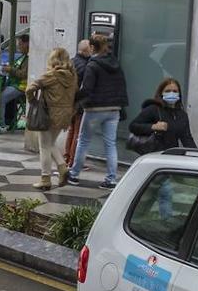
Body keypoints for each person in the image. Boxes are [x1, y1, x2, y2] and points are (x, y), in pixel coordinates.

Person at [66, 33, 128, 189]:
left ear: (93, 47)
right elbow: (121, 86)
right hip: (114, 109)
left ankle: (74, 175)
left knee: (83, 141)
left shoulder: (92, 65)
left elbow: (86, 89)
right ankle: (111, 179)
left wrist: (73, 99)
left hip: (95, 108)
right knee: (110, 144)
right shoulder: (116, 63)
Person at [25, 47, 79, 190]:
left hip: (48, 114)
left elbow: (30, 88)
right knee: (51, 144)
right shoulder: (73, 76)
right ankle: (62, 168)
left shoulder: (51, 75)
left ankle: (45, 179)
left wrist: (33, 102)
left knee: (44, 146)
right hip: (65, 115)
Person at [128, 77, 196, 152]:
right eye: (167, 91)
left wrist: (196, 155)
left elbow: (187, 139)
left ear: (179, 94)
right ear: (161, 93)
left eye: (175, 91)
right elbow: (133, 126)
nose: (171, 93)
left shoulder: (182, 115)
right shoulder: (153, 109)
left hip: (172, 155)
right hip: (153, 154)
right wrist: (153, 127)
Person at [65, 39, 92, 166]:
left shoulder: (71, 61)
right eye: (91, 48)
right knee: (78, 132)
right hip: (80, 102)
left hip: (70, 101)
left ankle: (67, 157)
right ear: (87, 50)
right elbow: (84, 86)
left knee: (72, 130)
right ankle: (73, 161)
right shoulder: (86, 65)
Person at [0, 33, 31, 130]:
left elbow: (23, 74)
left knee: (1, 98)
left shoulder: (29, 58)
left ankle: (1, 124)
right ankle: (8, 120)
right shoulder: (23, 56)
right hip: (15, 84)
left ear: (27, 44)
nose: (18, 46)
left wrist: (10, 69)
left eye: (20, 44)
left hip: (21, 87)